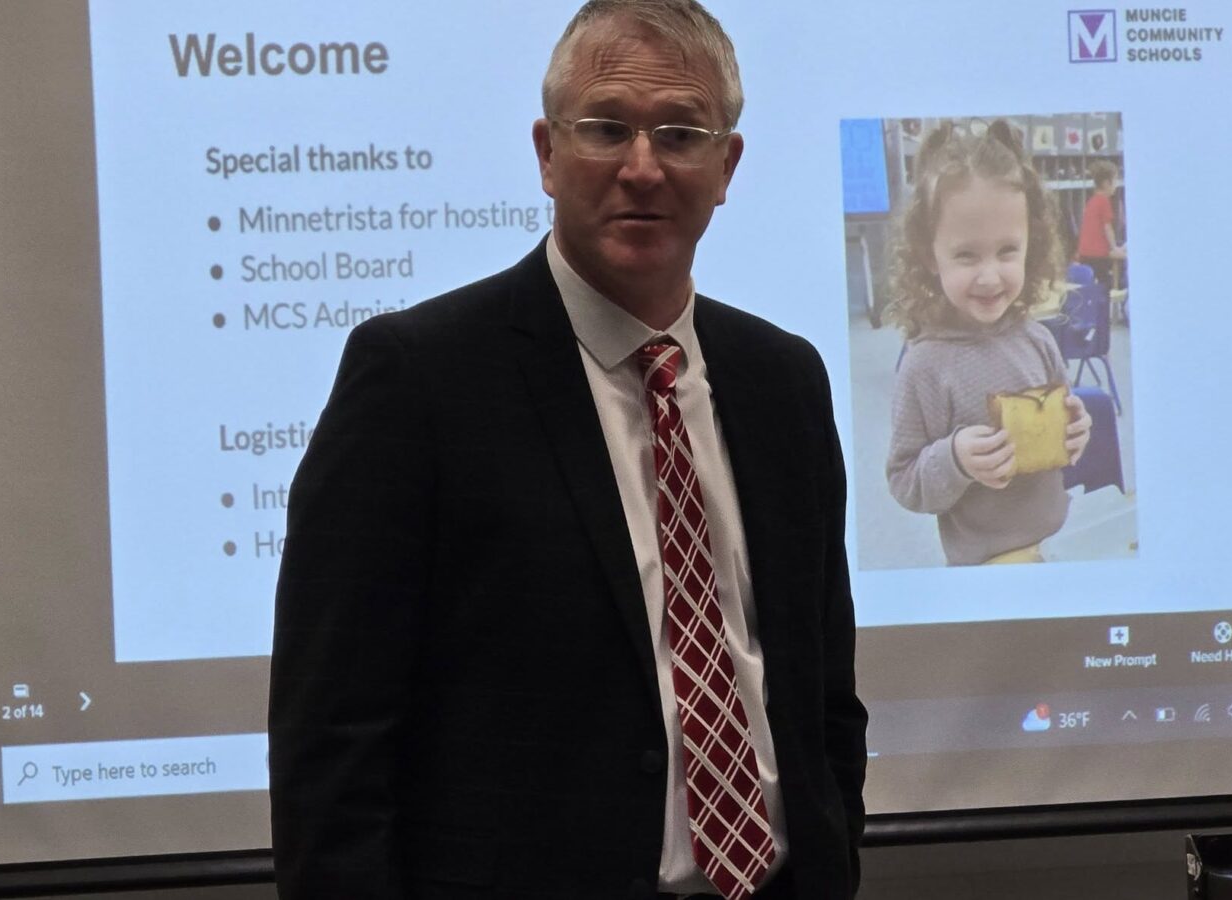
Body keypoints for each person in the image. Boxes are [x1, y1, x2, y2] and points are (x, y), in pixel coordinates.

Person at [267, 2, 868, 898]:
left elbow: (823, 698)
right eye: (605, 129)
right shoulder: (418, 378)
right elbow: (332, 740)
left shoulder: (785, 380)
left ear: (727, 164)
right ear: (547, 153)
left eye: (680, 133)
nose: (642, 167)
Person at [884, 121, 1093, 566]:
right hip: (982, 568)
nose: (989, 275)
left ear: (1030, 246)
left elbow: (1063, 420)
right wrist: (955, 459)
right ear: (929, 255)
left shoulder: (1038, 340)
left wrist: (1075, 429)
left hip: (1058, 545)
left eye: (1007, 251)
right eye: (966, 255)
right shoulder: (924, 366)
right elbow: (904, 479)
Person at [1075, 159, 1125, 292]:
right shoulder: (1103, 201)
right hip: (1097, 255)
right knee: (1105, 287)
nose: (1116, 185)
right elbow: (1107, 227)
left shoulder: (1091, 201)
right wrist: (1114, 248)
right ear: (1106, 183)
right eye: (1115, 181)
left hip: (1085, 254)